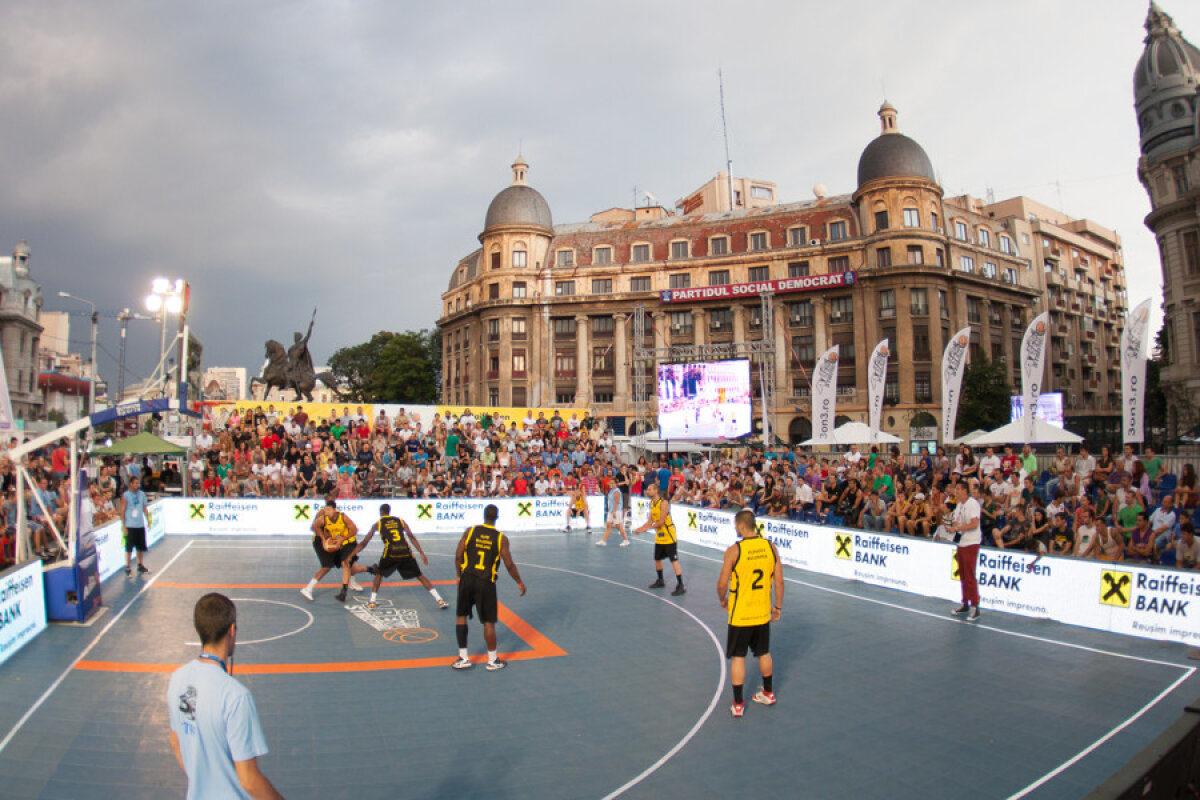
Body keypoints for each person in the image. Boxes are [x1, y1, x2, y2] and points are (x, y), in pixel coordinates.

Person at [167, 593, 285, 800]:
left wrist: (203, 782)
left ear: (198, 630)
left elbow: (176, 741)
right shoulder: (235, 696)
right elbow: (248, 780)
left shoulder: (177, 679)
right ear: (232, 630)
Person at [717, 509, 783, 719]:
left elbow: (722, 583)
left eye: (736, 526)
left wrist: (722, 599)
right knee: (764, 652)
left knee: (738, 657)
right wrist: (778, 607)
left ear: (742, 526)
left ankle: (738, 704)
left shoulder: (734, 550)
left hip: (741, 614)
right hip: (762, 612)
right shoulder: (770, 547)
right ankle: (768, 692)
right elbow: (779, 581)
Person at [452, 504, 526, 671]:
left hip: (467, 578)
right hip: (485, 582)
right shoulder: (501, 538)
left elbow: (458, 555)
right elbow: (509, 564)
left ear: (484, 516)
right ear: (497, 517)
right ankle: (492, 660)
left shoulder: (470, 531)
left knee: (461, 616)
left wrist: (458, 575)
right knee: (488, 622)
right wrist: (519, 582)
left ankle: (463, 657)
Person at [353, 504, 447, 610]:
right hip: (405, 551)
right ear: (389, 511)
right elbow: (411, 536)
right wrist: (421, 552)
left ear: (381, 512)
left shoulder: (378, 523)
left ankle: (372, 601)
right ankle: (439, 600)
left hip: (391, 552)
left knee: (379, 574)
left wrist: (352, 554)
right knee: (420, 576)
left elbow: (365, 542)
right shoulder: (400, 520)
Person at [300, 495, 368, 602]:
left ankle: (352, 582)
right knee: (327, 566)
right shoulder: (322, 514)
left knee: (348, 561)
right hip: (321, 542)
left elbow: (352, 529)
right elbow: (313, 527)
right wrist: (324, 538)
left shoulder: (340, 516)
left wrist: (339, 538)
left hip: (334, 541)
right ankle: (308, 588)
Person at [633, 482, 686, 596]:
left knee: (674, 560)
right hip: (659, 535)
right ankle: (660, 580)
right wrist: (641, 528)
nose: (648, 491)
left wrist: (645, 529)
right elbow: (650, 521)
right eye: (647, 489)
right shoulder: (652, 503)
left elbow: (661, 521)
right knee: (657, 558)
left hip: (668, 535)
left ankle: (680, 585)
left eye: (650, 489)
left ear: (656, 491)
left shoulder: (664, 503)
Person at [945, 482, 982, 621]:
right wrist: (954, 527)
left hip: (971, 543)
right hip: (961, 543)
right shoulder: (959, 505)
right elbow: (956, 522)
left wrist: (958, 528)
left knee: (970, 575)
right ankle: (965, 603)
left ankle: (975, 606)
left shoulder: (973, 504)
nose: (956, 491)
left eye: (959, 489)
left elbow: (974, 524)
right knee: (963, 575)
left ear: (965, 491)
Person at [119, 475, 150, 576]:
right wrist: (123, 526)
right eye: (136, 483)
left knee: (140, 547)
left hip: (140, 524)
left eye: (138, 483)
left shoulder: (141, 494)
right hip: (130, 525)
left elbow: (144, 507)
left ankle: (139, 564)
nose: (138, 485)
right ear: (131, 484)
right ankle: (127, 567)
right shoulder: (126, 496)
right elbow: (122, 511)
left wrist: (148, 520)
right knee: (129, 547)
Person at [597, 482, 630, 546]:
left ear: (616, 484)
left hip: (616, 511)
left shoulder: (616, 491)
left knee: (618, 526)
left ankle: (626, 540)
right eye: (610, 483)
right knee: (608, 526)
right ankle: (603, 541)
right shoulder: (611, 491)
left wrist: (614, 512)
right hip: (611, 511)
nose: (611, 484)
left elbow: (616, 503)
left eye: (612, 483)